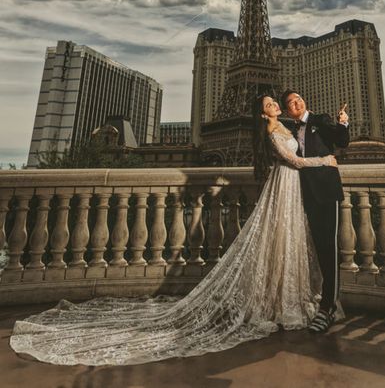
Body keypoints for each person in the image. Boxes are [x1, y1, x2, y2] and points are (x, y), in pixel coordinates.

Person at [10, 94, 338, 366]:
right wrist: (324, 162)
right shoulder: (271, 129)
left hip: (292, 190)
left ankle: (284, 295)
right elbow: (293, 160)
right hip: (285, 184)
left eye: (275, 102)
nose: (276, 105)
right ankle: (276, 300)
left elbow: (309, 143)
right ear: (262, 112)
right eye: (270, 103)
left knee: (286, 239)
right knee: (278, 239)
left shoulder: (287, 125)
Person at [280, 90, 350, 333]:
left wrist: (343, 123)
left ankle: (329, 306)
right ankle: (323, 299)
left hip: (327, 190)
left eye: (298, 99)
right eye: (290, 103)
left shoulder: (320, 119)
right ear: (287, 111)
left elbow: (341, 141)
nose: (295, 103)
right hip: (308, 193)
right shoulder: (290, 131)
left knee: (329, 248)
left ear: (304, 102)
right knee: (319, 248)